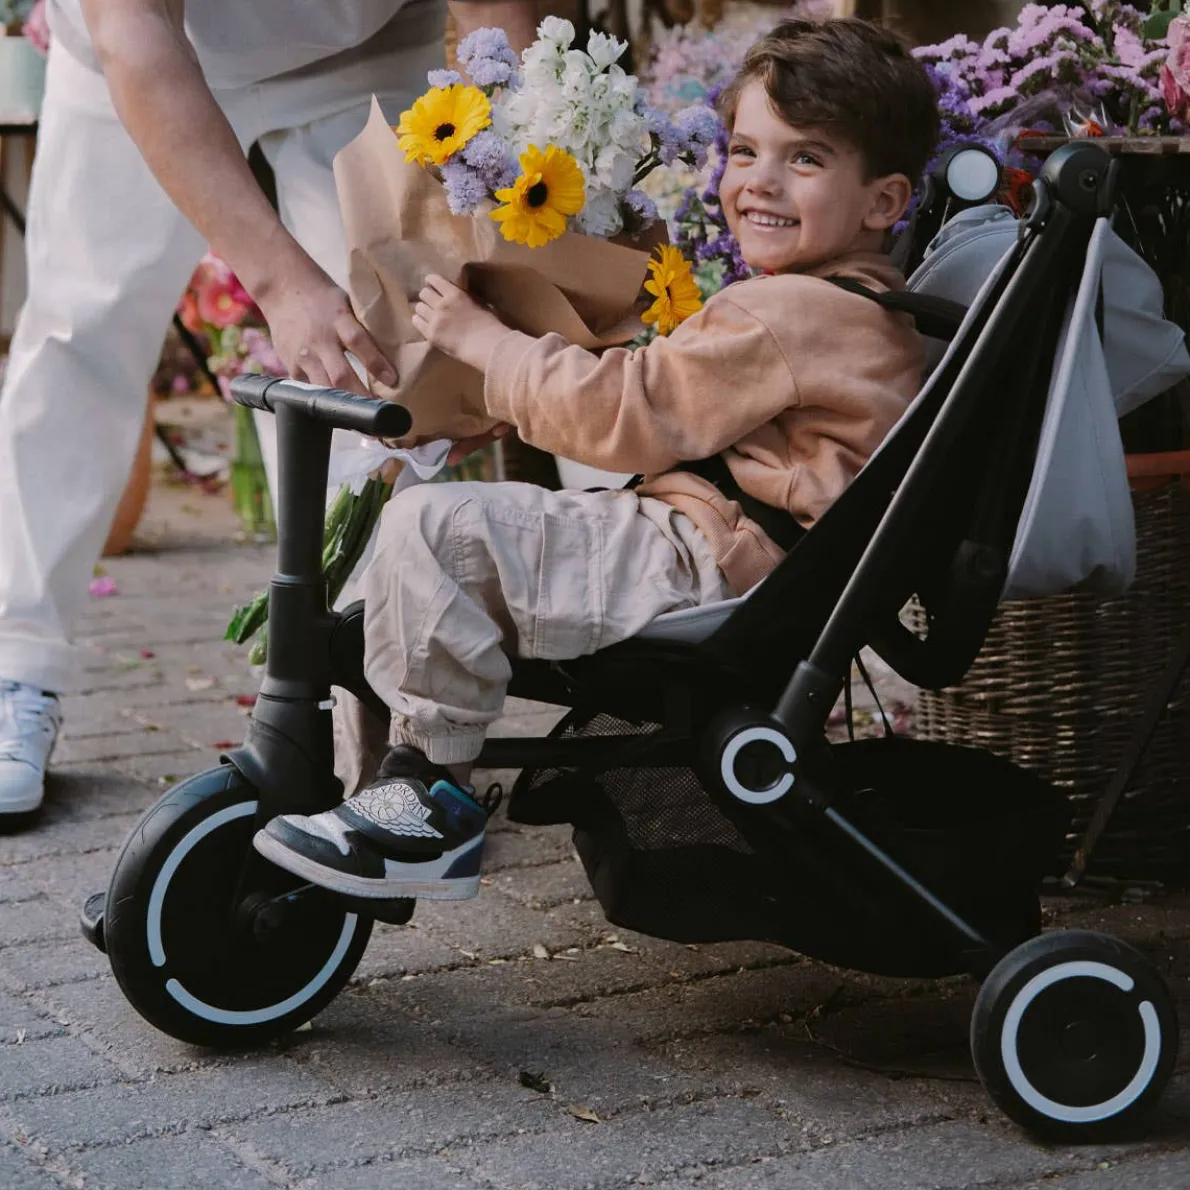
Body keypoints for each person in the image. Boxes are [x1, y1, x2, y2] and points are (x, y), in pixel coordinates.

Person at [253, 17, 941, 902]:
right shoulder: (838, 305)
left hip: (708, 564)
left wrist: (491, 348)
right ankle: (397, 790)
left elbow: (634, 411)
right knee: (447, 544)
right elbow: (670, 398)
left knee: (437, 527)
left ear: (883, 202)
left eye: (804, 160)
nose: (757, 181)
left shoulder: (798, 312)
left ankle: (428, 796)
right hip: (725, 549)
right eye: (742, 150)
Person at [0, 0, 538, 824]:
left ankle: (387, 707)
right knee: (79, 333)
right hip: (138, 57)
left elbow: (498, 19)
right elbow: (137, 41)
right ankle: (16, 666)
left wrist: (515, 227)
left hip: (364, 49)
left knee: (388, 360)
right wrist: (282, 282)